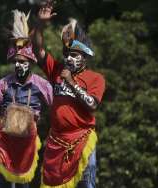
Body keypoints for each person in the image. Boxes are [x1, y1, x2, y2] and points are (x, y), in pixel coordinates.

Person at [33, 1, 106, 187]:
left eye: (75, 55)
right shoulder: (56, 70)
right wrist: (40, 24)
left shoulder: (95, 78)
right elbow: (37, 50)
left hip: (81, 140)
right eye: (67, 54)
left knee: (86, 184)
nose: (69, 59)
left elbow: (92, 105)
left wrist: (71, 83)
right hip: (56, 142)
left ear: (85, 58)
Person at [0, 9, 53, 188]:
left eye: (23, 62)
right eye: (16, 61)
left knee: (24, 182)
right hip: (3, 139)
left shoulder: (42, 85)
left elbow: (55, 109)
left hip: (28, 140)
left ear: (30, 63)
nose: (19, 65)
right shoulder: (3, 83)